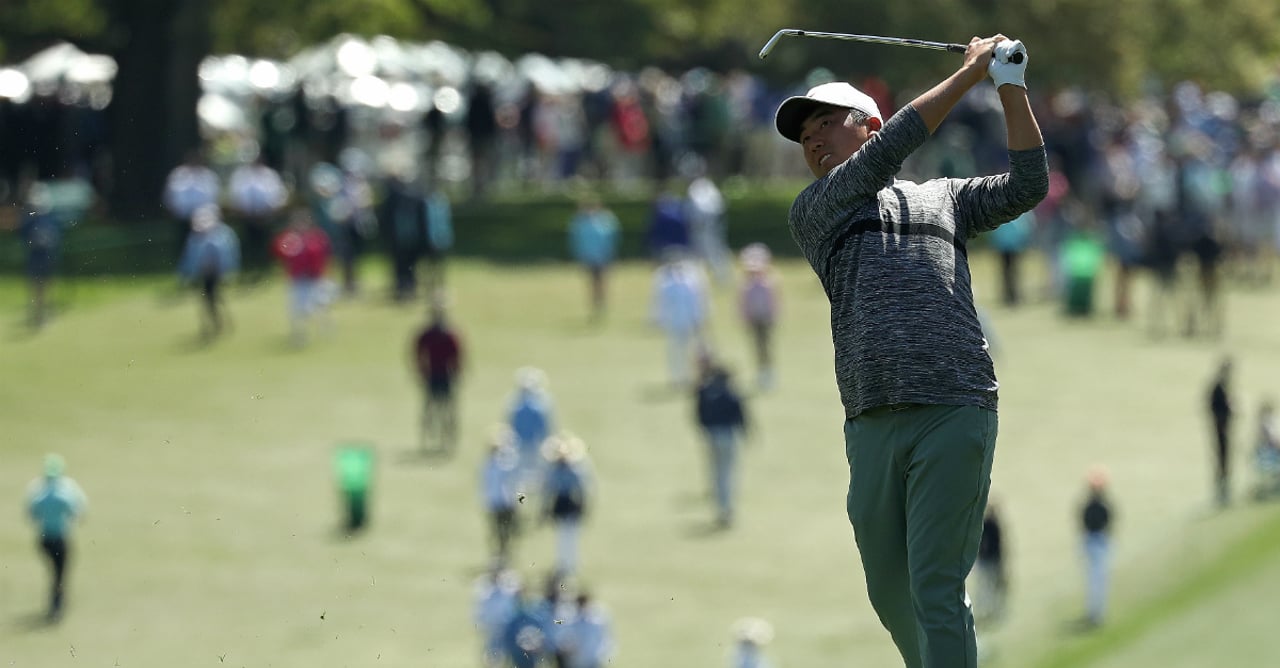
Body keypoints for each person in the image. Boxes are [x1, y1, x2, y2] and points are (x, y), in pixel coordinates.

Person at [773, 35, 1047, 667]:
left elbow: (1030, 184)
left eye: (825, 126)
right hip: (870, 419)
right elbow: (894, 147)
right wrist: (970, 72)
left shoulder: (945, 199)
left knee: (934, 584)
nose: (812, 142)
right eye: (804, 137)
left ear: (866, 123)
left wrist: (1008, 84)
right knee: (890, 590)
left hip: (954, 405)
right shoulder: (816, 209)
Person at [26, 453, 87, 621]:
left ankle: (56, 603)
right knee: (59, 573)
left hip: (44, 539)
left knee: (55, 572)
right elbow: (79, 511)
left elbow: (31, 514)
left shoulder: (38, 489)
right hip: (60, 539)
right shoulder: (65, 490)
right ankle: (57, 605)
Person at [695, 359, 750, 528]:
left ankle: (719, 505)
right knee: (726, 472)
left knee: (715, 471)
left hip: (712, 436)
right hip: (727, 436)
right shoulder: (731, 394)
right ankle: (725, 509)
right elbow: (741, 416)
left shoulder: (705, 392)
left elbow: (699, 415)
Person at [177, 204, 241, 341]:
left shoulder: (219, 237)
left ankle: (215, 324)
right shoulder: (195, 239)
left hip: (214, 274)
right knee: (211, 299)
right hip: (204, 274)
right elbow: (190, 258)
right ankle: (217, 323)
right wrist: (187, 274)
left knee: (210, 299)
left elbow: (226, 257)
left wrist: (227, 272)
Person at [271, 208, 333, 347]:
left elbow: (324, 254)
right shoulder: (289, 238)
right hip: (298, 279)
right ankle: (299, 334)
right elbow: (278, 251)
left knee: (320, 305)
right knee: (296, 309)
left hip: (315, 278)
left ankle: (325, 328)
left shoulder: (316, 237)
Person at [651, 249, 710, 388]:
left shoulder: (691, 281)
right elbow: (660, 304)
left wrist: (700, 318)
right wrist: (659, 320)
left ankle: (696, 376)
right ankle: (677, 377)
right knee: (676, 351)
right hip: (674, 322)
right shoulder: (665, 283)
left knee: (696, 350)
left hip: (691, 321)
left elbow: (698, 301)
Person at [226, 155, 288, 286]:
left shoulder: (270, 175)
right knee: (250, 243)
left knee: (266, 244)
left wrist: (270, 210)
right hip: (247, 217)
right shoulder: (242, 176)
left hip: (266, 216)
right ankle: (250, 266)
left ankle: (265, 267)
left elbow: (279, 195)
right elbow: (236, 195)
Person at [413, 299, 464, 455]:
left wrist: (457, 373)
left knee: (446, 409)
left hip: (445, 375)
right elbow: (418, 354)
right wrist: (422, 371)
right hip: (433, 375)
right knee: (431, 408)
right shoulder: (430, 334)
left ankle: (447, 439)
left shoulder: (448, 334)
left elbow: (457, 357)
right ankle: (430, 439)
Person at [542, 433, 591, 577]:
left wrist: (582, 506)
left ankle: (571, 563)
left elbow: (580, 490)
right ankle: (563, 563)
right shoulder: (555, 471)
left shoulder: (574, 470)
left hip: (570, 504)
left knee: (570, 535)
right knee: (562, 536)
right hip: (560, 504)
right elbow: (549, 490)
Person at [568, 195, 621, 321]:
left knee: (602, 281)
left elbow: (612, 238)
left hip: (603, 257)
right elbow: (576, 241)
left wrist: (610, 253)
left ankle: (602, 303)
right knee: (592, 282)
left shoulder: (605, 220)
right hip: (588, 257)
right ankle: (595, 304)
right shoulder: (579, 222)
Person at [738, 243, 780, 390]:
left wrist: (773, 317)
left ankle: (768, 374)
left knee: (766, 347)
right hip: (754, 321)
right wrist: (745, 319)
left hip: (765, 320)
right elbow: (744, 306)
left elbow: (773, 303)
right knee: (757, 347)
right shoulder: (746, 287)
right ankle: (762, 373)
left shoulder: (768, 284)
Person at [480, 426, 521, 566]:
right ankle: (499, 554)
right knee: (497, 531)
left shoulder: (502, 463)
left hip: (505, 502)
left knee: (505, 531)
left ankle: (504, 553)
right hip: (496, 502)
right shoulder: (490, 464)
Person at [1080, 466, 1114, 629]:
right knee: (1094, 580)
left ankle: (1097, 614)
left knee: (1098, 580)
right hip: (1093, 541)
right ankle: (1094, 613)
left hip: (1099, 541)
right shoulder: (1093, 505)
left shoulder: (1100, 505)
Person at [508, 367, 555, 483]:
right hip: (528, 442)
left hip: (527, 442)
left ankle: (523, 495)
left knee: (526, 470)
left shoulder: (516, 405)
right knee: (530, 468)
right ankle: (525, 494)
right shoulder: (539, 405)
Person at [474, 568, 521, 667]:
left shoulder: (507, 592)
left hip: (507, 628)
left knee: (507, 654)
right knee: (492, 655)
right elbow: (480, 611)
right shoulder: (486, 593)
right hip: (492, 628)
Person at [972, 500, 1008, 626]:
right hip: (988, 561)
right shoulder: (988, 524)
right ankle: (985, 612)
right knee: (987, 588)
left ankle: (990, 612)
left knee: (991, 588)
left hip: (990, 561)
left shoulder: (988, 524)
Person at [562, 590, 616, 668]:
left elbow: (607, 638)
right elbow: (566, 639)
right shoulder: (571, 619)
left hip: (594, 660)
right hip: (576, 661)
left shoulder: (598, 619)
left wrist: (604, 654)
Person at [1209, 358, 1234, 507]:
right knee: (1221, 459)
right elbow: (1213, 408)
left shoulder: (1223, 386)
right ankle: (1221, 490)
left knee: (1225, 459)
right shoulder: (1218, 387)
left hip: (1224, 429)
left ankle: (1225, 488)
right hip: (1220, 429)